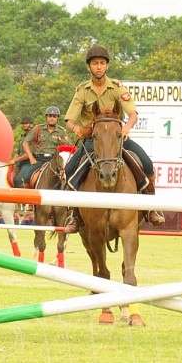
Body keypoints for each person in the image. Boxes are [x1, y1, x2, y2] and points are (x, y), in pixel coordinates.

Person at [62, 45, 165, 232]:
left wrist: (125, 128)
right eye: (95, 64)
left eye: (102, 63)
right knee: (69, 171)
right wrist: (77, 129)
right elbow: (70, 120)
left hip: (118, 139)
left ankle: (151, 209)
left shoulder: (117, 87)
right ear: (89, 67)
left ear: (107, 66)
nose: (99, 67)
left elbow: (133, 114)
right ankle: (74, 215)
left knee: (147, 164)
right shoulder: (82, 90)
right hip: (92, 142)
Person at [15, 106, 71, 188]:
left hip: (55, 160)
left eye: (54, 116)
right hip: (40, 159)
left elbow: (69, 146)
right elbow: (25, 143)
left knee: (68, 179)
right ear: (46, 117)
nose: (52, 118)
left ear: (57, 118)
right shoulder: (38, 128)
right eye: (50, 116)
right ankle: (27, 199)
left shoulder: (61, 131)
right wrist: (31, 158)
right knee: (26, 178)